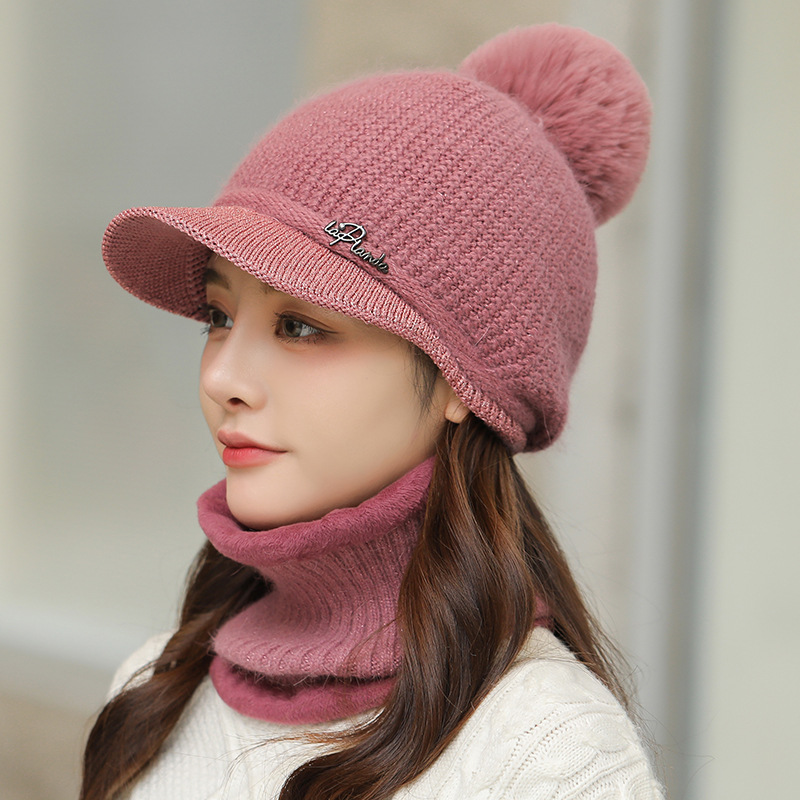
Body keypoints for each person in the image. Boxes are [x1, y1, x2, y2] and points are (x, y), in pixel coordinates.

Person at [81, 23, 662, 800]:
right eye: (218, 317)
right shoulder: (154, 691)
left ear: (466, 380)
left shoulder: (545, 753)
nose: (223, 376)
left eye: (300, 326)